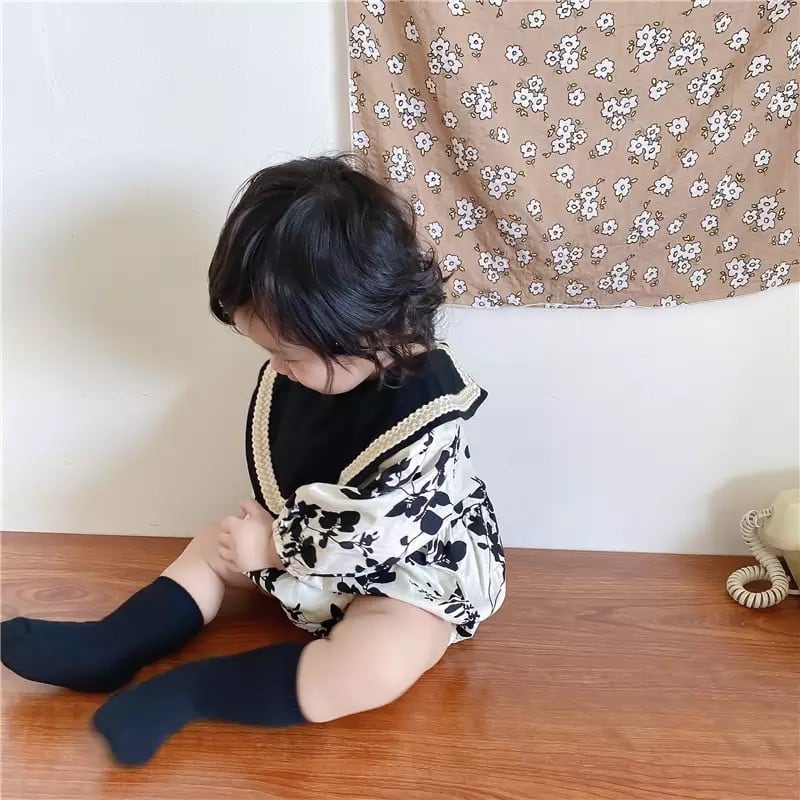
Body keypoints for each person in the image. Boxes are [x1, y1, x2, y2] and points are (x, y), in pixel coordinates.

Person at [0, 155, 506, 765]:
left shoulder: (426, 419)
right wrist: (259, 544)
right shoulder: (332, 367)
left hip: (409, 574)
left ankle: (191, 692)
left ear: (364, 331)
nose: (277, 369)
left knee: (380, 662)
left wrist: (270, 547)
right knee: (213, 543)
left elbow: (379, 533)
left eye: (289, 355)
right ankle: (113, 645)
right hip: (305, 548)